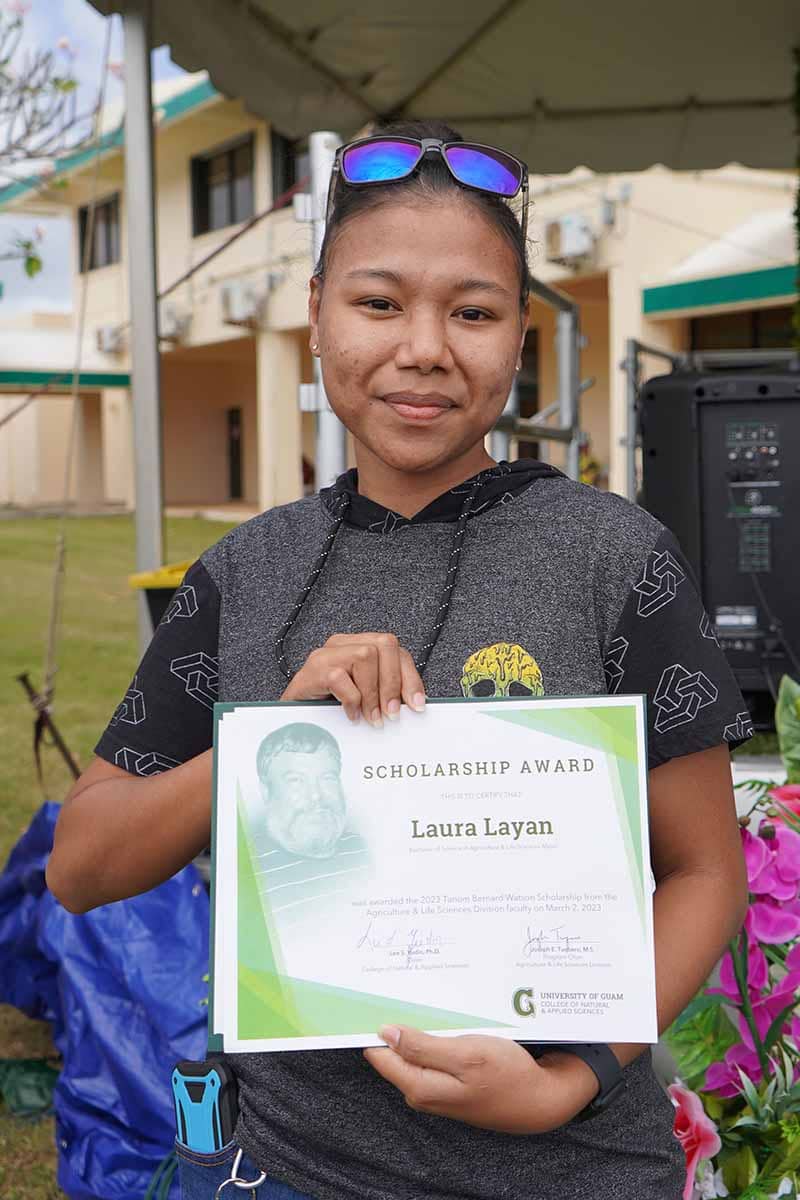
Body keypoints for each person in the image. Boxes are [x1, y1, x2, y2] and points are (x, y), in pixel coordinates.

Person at [47, 119, 752, 1200]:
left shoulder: (614, 557)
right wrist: (272, 745)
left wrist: (566, 1079)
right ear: (319, 316)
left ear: (518, 337)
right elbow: (82, 865)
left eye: (471, 312)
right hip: (286, 1169)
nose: (424, 347)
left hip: (573, 1170)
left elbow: (703, 871)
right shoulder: (244, 574)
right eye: (378, 304)